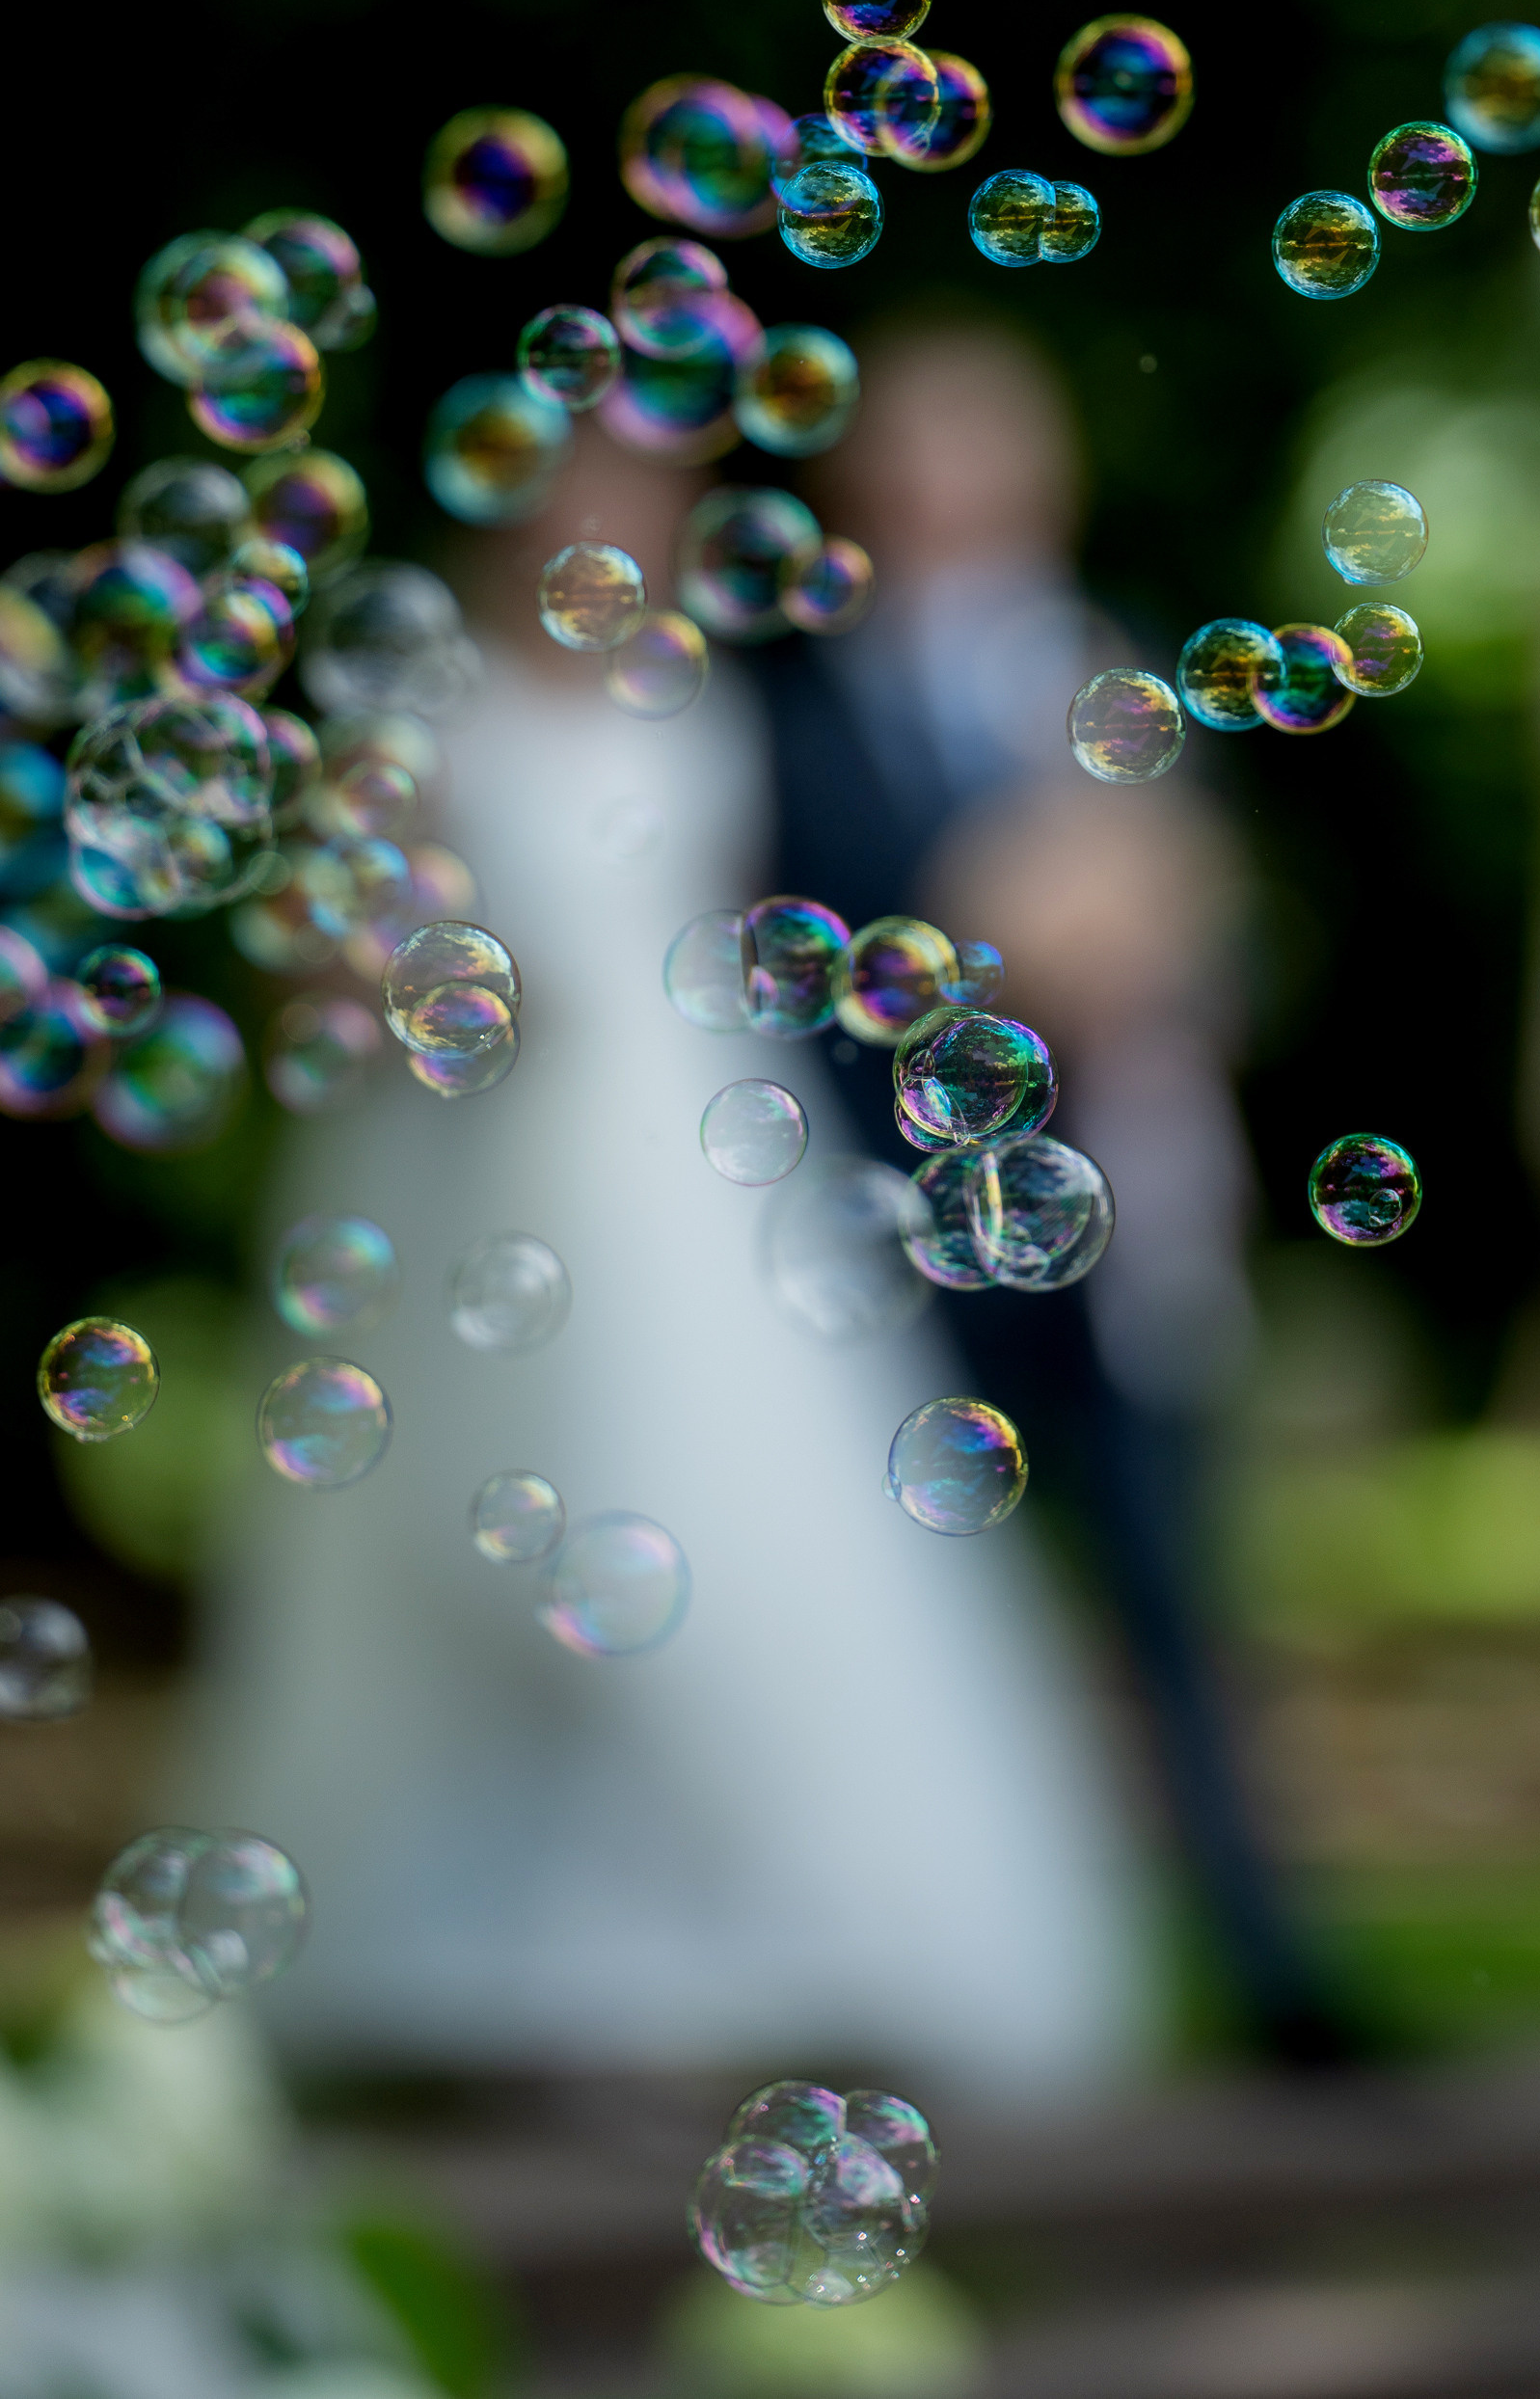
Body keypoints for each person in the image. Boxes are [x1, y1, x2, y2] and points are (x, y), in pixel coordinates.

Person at [177, 441, 1159, 2096]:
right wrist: (446, 989)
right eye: (574, 494)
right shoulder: (427, 713)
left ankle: (749, 1955)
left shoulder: (699, 703)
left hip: (691, 1165)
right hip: (481, 1182)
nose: (603, 528)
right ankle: (476, 1971)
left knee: (715, 1543)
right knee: (481, 1555)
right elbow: (331, 968)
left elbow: (748, 941)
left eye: (635, 499)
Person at [758, 319, 1346, 2056]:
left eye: (984, 441)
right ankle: (936, 1982)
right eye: (916, 445)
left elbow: (1228, 949)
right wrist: (1002, 938)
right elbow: (802, 965)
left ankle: (1271, 1975)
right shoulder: (786, 704)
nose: (950, 481)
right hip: (893, 1241)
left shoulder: (1119, 671)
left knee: (1176, 1600)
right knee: (931, 1624)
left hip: (1116, 1224)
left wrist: (1159, 943)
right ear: (856, 476)